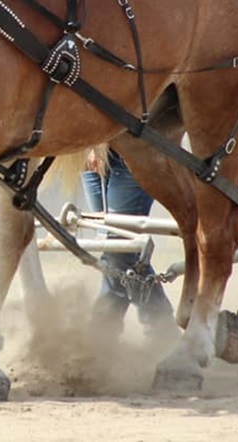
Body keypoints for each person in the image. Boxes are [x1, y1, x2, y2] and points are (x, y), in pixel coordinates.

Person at [82, 146, 180, 347]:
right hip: (93, 155)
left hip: (134, 153)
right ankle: (161, 328)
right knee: (116, 250)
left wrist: (97, 143)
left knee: (118, 248)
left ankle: (104, 329)